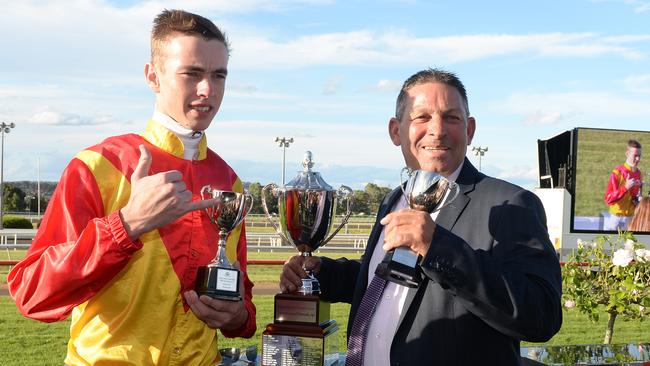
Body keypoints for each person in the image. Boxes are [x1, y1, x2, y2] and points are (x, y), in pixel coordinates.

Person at [8, 9, 256, 365]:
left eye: (219, 75)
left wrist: (237, 317)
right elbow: (32, 293)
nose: (208, 90)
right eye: (192, 73)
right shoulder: (97, 165)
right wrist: (126, 226)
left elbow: (243, 301)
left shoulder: (228, 181)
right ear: (153, 76)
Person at [280, 68, 562, 365]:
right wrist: (322, 272)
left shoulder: (512, 204)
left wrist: (436, 246)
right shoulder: (394, 199)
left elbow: (541, 315)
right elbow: (391, 281)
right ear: (395, 130)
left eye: (451, 117)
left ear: (469, 130)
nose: (437, 130)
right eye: (422, 117)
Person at [604, 139, 643, 231]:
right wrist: (625, 187)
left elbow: (635, 198)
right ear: (627, 154)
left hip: (631, 219)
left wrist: (637, 202)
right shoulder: (617, 173)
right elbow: (608, 199)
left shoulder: (639, 174)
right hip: (617, 219)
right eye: (635, 156)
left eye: (639, 156)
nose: (638, 159)